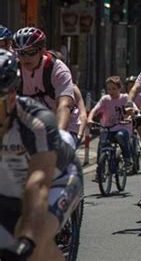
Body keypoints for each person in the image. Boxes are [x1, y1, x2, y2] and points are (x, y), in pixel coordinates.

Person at [0, 49, 83, 261]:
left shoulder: (36, 121)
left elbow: (38, 183)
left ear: (11, 98)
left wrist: (27, 239)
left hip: (59, 177)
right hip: (11, 178)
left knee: (33, 245)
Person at [12, 27, 75, 130]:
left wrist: (58, 137)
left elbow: (64, 106)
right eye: (21, 53)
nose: (26, 57)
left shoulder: (58, 70)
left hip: (64, 124)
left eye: (31, 52)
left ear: (42, 51)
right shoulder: (13, 70)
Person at [88, 76, 135, 172]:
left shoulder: (125, 98)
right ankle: (100, 170)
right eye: (109, 89)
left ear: (119, 88)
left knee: (120, 136)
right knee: (103, 144)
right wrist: (89, 119)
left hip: (123, 127)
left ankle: (127, 159)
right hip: (108, 128)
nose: (111, 91)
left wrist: (130, 116)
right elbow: (95, 110)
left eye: (114, 89)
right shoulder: (105, 99)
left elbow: (134, 110)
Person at [125, 75, 141, 151]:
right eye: (129, 86)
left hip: (137, 118)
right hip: (127, 119)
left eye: (132, 85)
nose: (130, 87)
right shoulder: (125, 96)